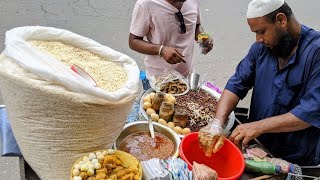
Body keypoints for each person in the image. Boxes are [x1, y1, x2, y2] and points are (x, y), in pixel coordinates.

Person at [199, 0, 320, 166]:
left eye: (261, 31)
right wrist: (217, 123)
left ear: (281, 20)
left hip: (295, 158)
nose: (258, 39)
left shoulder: (316, 53)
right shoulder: (262, 48)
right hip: (256, 148)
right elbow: (236, 83)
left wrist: (259, 126)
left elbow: (310, 111)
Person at [128, 0, 213, 81]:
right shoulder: (145, 4)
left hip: (188, 76)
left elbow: (196, 25)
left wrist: (202, 37)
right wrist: (161, 50)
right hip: (158, 79)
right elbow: (133, 41)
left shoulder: (193, 1)